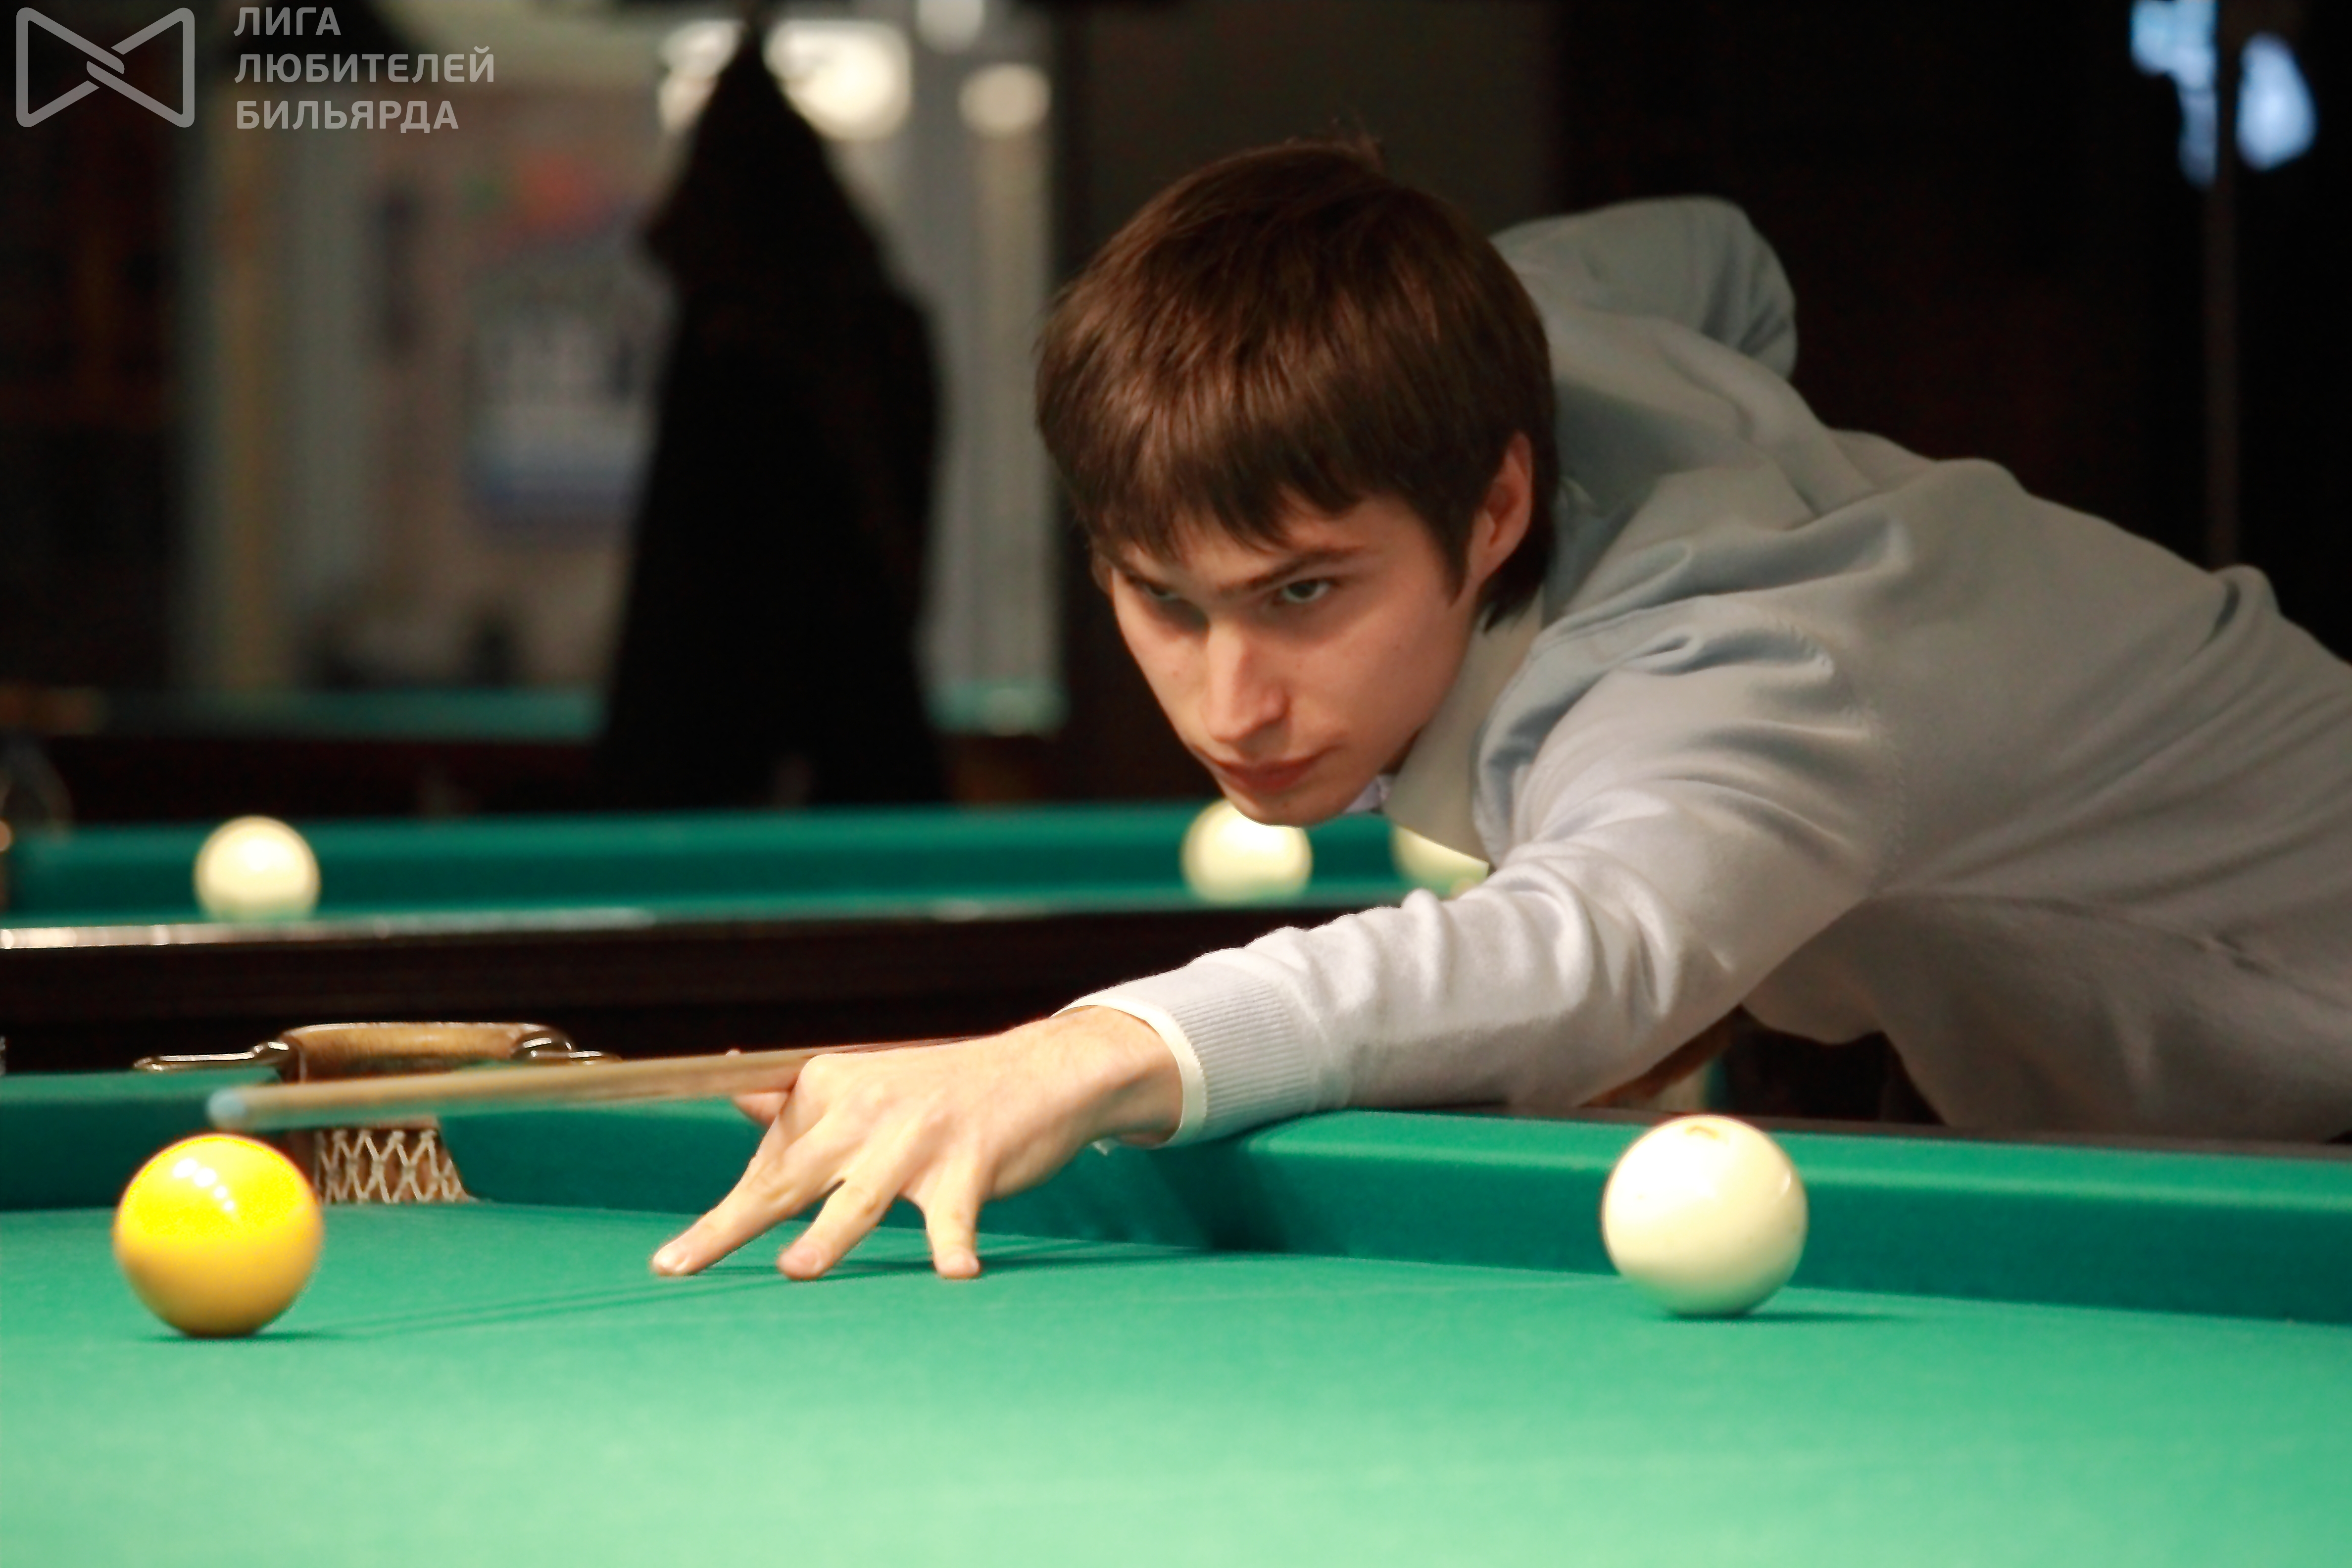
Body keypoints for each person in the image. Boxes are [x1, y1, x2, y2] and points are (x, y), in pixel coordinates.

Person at [651, 140, 2352, 1285]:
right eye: (1165, 599)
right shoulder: (1488, 341)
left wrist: (1084, 1050)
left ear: (1494, 509)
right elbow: (1724, 267)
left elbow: (1583, 950)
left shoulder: (1747, 673)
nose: (1232, 705)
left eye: (1304, 594)